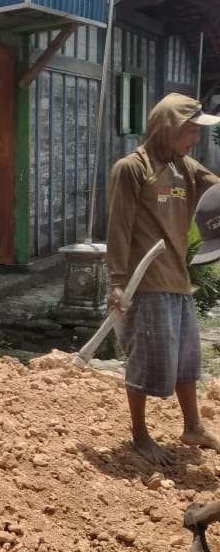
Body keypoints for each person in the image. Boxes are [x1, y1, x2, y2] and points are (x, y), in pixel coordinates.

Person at [107, 92, 220, 465]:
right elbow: (119, 228)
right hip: (147, 282)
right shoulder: (133, 168)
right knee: (146, 361)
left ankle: (192, 426)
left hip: (177, 278)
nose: (196, 139)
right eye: (191, 131)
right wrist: (117, 281)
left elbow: (216, 189)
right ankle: (140, 434)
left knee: (187, 361)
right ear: (170, 129)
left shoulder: (185, 168)